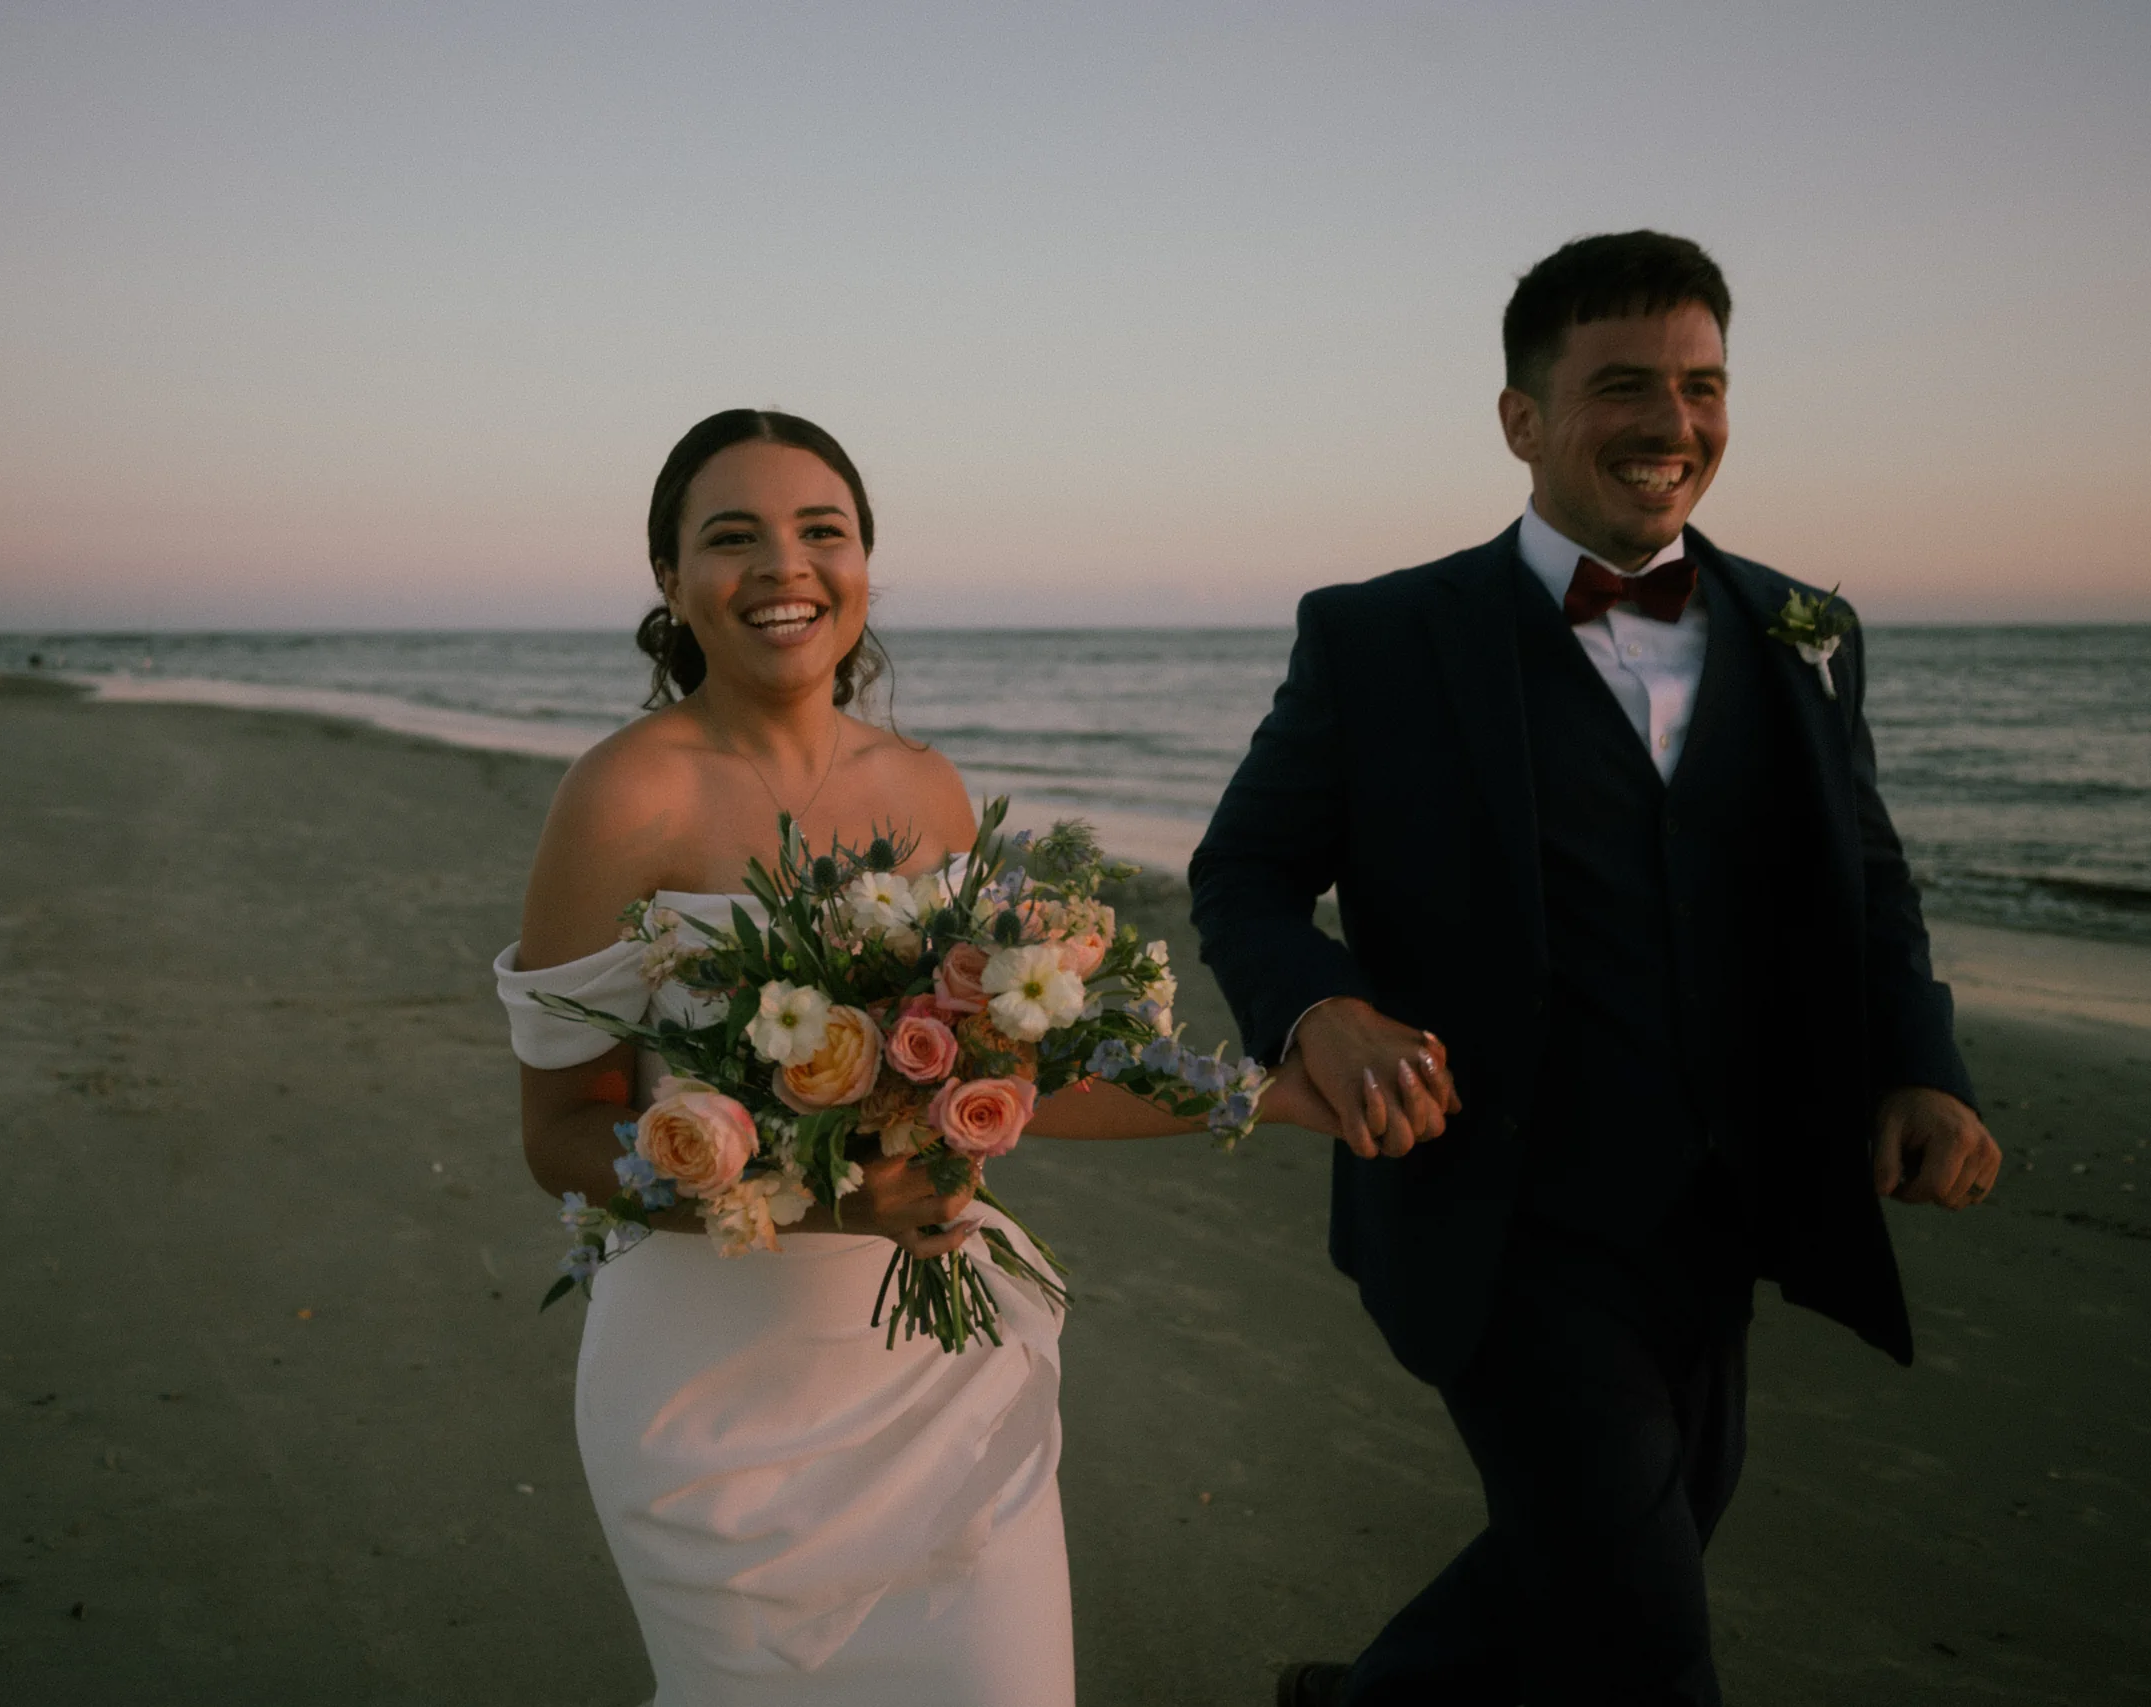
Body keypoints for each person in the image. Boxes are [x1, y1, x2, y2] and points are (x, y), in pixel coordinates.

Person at [1190, 231, 2002, 1706]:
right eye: (1623, 385)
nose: (1673, 424)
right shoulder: (1377, 637)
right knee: (1644, 1633)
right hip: (1494, 1206)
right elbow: (1241, 873)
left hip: (1722, 1203)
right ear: (1521, 419)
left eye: (1703, 385)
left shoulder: (1804, 628)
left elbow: (1865, 875)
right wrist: (1325, 1009)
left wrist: (1918, 1063)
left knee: (1637, 1538)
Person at [492, 408, 1337, 1706]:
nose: (785, 567)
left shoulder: (929, 793)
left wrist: (1270, 1094)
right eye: (733, 536)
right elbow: (558, 1133)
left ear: (864, 564)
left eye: (821, 531)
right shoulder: (622, 797)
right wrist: (840, 1198)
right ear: (670, 580)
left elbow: (1013, 1089)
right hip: (715, 1402)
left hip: (933, 1381)